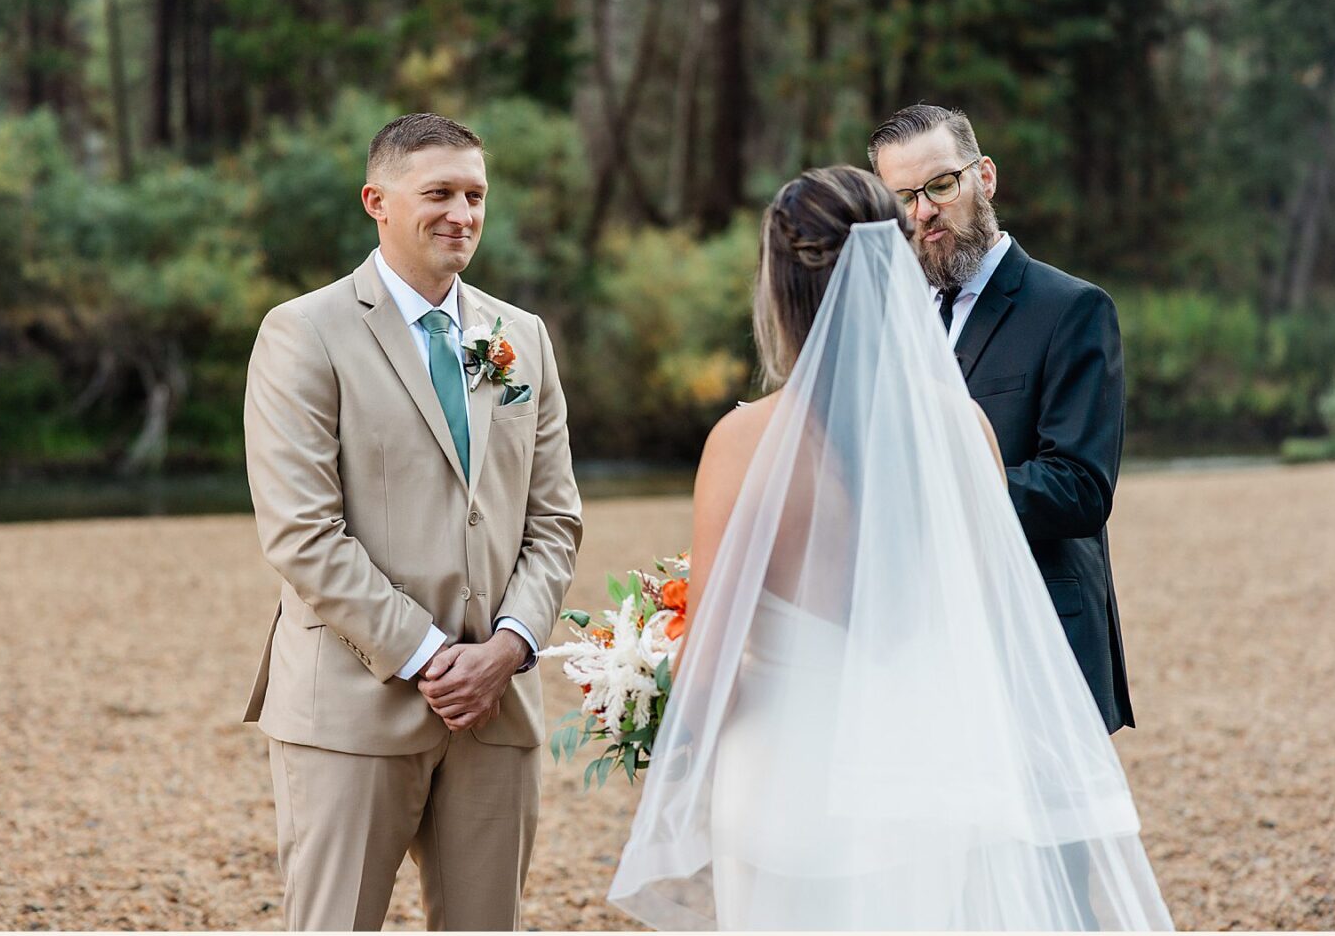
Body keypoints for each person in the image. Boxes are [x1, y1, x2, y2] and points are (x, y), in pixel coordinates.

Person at [608, 165, 1171, 930]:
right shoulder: (961, 427)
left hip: (781, 783)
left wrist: (643, 694)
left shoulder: (743, 443)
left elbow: (707, 664)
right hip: (922, 782)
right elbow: (972, 620)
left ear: (778, 285)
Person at [241, 112, 582, 930]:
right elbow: (302, 532)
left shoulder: (521, 338)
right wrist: (432, 658)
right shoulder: (304, 332)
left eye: (475, 194)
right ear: (377, 202)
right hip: (355, 706)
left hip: (496, 707)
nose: (462, 214)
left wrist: (507, 648)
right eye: (439, 193)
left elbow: (555, 518)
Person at [870, 102, 1133, 735]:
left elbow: (1081, 487)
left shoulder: (1072, 309)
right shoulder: (892, 319)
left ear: (983, 178)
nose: (924, 212)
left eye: (940, 185)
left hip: (1039, 642)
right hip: (923, 652)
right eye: (903, 198)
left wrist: (936, 486)